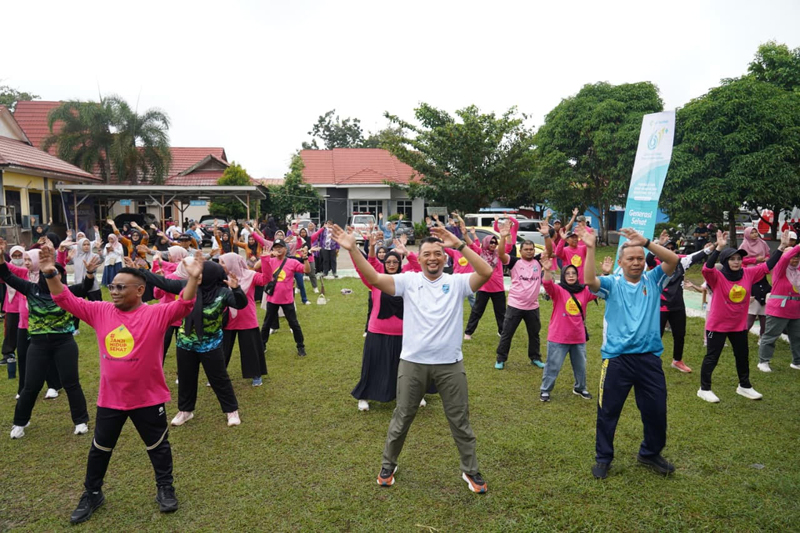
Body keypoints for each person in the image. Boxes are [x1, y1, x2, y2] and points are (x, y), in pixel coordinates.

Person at [42, 248, 201, 524]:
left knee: (158, 447)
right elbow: (64, 298)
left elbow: (184, 305)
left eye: (120, 287)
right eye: (112, 285)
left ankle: (165, 488)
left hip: (148, 398)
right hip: (111, 399)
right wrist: (51, 274)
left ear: (140, 290)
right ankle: (92, 493)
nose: (113, 291)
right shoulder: (101, 311)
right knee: (100, 448)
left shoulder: (155, 314)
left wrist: (194, 279)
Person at [332, 224, 493, 494]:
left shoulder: (456, 283)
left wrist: (459, 244)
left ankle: (470, 470)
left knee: (460, 420)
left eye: (438, 253)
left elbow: (486, 272)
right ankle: (388, 464)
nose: (432, 257)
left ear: (445, 257)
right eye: (427, 253)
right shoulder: (409, 281)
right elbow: (373, 278)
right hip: (412, 363)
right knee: (402, 416)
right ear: (418, 258)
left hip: (450, 365)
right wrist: (354, 250)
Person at [581, 226, 679, 480]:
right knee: (608, 412)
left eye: (639, 259)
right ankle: (603, 458)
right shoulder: (612, 284)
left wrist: (645, 241)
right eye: (630, 259)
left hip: (649, 359)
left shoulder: (654, 279)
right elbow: (590, 281)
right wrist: (590, 248)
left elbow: (673, 260)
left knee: (656, 410)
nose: (636, 263)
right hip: (617, 359)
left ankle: (649, 453)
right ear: (621, 263)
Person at [0, 239, 98, 440]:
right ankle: (20, 422)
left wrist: (89, 273)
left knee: (71, 383)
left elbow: (86, 287)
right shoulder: (30, 289)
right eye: (51, 271)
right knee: (31, 385)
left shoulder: (66, 292)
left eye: (57, 272)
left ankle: (80, 421)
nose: (54, 275)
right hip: (38, 344)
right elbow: (6, 275)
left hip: (64, 343)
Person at [144, 259, 247, 427]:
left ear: (210, 276)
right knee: (186, 378)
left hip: (211, 345)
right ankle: (185, 411)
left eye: (200, 273)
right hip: (185, 343)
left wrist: (236, 289)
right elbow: (165, 283)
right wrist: (142, 272)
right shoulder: (188, 286)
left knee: (219, 379)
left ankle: (231, 411)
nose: (196, 276)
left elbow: (240, 304)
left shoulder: (223, 292)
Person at [698, 230, 783, 403]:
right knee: (712, 357)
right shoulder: (717, 277)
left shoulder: (747, 274)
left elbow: (767, 266)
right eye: (732, 259)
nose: (736, 262)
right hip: (718, 325)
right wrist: (719, 248)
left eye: (739, 259)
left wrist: (781, 247)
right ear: (725, 261)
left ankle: (744, 386)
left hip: (738, 325)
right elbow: (707, 268)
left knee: (742, 355)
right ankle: (704, 388)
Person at [538, 255, 610, 401]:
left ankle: (580, 388)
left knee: (581, 367)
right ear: (563, 276)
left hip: (578, 337)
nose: (571, 276)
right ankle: (545, 390)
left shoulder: (584, 291)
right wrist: (546, 270)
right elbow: (547, 284)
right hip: (558, 336)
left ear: (578, 276)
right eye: (567, 273)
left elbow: (599, 287)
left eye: (574, 273)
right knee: (553, 366)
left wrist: (605, 274)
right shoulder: (558, 290)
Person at [645, 231, 715, 373]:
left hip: (677, 305)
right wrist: (658, 243)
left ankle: (677, 361)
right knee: (656, 335)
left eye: (672, 249)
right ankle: (649, 361)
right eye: (666, 248)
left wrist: (716, 245)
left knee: (679, 333)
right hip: (660, 305)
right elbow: (649, 258)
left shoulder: (681, 262)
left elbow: (699, 255)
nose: (669, 251)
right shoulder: (656, 264)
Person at [494, 221, 551, 369]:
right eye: (526, 249)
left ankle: (535, 357)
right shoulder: (514, 262)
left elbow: (549, 251)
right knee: (507, 333)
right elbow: (500, 254)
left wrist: (546, 235)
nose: (529, 251)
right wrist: (502, 237)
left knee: (534, 334)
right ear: (521, 251)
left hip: (533, 306)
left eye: (531, 249)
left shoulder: (538, 261)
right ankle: (501, 359)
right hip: (515, 305)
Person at [219, 252, 270, 386]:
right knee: (222, 349)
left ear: (232, 263)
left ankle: (256, 375)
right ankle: (217, 375)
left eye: (223, 262)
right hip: (228, 318)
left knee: (251, 348)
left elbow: (266, 279)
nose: (221, 265)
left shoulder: (250, 275)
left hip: (247, 319)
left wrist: (265, 260)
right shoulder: (221, 277)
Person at [260, 239, 310, 356]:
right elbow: (259, 267)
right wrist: (266, 257)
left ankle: (300, 346)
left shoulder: (291, 262)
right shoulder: (270, 261)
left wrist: (305, 258)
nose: (278, 249)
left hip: (287, 300)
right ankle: (262, 345)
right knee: (267, 323)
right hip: (272, 299)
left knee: (294, 324)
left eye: (280, 247)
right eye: (275, 247)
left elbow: (306, 270)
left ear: (285, 249)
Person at [757, 236, 800, 372]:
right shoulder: (780, 269)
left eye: (797, 257)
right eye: (792, 256)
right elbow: (786, 258)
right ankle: (763, 361)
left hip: (796, 309)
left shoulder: (798, 271)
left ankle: (797, 361)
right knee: (771, 335)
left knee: (797, 337)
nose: (795, 259)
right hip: (779, 308)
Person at [463, 232, 506, 340]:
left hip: (498, 288)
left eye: (495, 242)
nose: (493, 244)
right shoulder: (480, 252)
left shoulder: (499, 254)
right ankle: (468, 333)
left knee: (501, 312)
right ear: (486, 242)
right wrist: (465, 234)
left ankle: (502, 332)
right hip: (484, 288)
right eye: (491, 242)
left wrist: (505, 236)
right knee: (477, 311)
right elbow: (471, 245)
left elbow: (509, 246)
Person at [740, 227, 772, 340]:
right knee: (752, 311)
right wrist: (755, 260)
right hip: (750, 274)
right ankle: (741, 336)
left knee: (764, 310)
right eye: (752, 233)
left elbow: (768, 255)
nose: (754, 234)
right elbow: (741, 260)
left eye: (755, 232)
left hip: (762, 273)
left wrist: (765, 259)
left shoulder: (762, 243)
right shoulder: (744, 245)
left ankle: (763, 337)